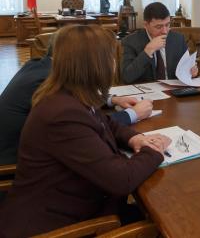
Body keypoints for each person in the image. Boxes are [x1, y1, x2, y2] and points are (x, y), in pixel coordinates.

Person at [0, 25, 170, 237]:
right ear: (95, 65)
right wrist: (153, 150)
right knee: (164, 224)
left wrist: (135, 138)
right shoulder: (62, 114)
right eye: (111, 58)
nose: (114, 65)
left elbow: (106, 122)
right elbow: (121, 179)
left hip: (78, 201)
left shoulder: (69, 94)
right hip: (57, 224)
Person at [0, 33, 154, 166]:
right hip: (17, 164)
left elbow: (77, 99)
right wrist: (132, 114)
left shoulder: (39, 66)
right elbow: (83, 125)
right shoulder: (48, 83)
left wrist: (112, 100)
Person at [120, 2, 197, 84]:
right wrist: (148, 51)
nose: (164, 31)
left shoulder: (178, 39)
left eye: (167, 25)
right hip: (147, 91)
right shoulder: (130, 42)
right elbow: (127, 77)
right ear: (145, 25)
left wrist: (192, 72)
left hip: (175, 89)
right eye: (159, 27)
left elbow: (186, 70)